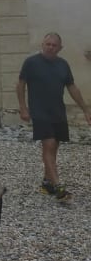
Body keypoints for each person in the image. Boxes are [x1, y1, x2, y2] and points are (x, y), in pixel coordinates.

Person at [16, 32, 91, 201]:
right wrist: (23, 108)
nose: (50, 47)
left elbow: (72, 87)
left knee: (54, 146)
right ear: (42, 44)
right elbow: (20, 85)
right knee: (49, 144)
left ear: (60, 48)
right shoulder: (31, 63)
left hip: (58, 111)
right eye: (47, 44)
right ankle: (58, 187)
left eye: (54, 45)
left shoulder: (63, 65)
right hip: (39, 111)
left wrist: (86, 109)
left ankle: (47, 182)